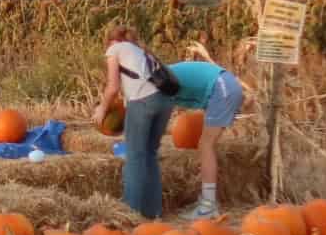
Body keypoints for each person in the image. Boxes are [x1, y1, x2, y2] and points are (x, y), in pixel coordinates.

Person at [97, 22, 176, 219]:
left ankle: (130, 213)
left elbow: (113, 87)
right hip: (166, 101)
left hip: (143, 102)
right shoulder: (140, 50)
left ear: (110, 40)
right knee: (149, 154)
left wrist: (102, 109)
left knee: (134, 156)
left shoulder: (115, 49)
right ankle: (153, 212)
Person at [163, 49, 246, 220]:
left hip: (222, 87)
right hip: (225, 85)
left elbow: (158, 121)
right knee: (206, 143)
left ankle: (208, 205)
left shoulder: (160, 81)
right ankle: (207, 201)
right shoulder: (161, 76)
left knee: (206, 144)